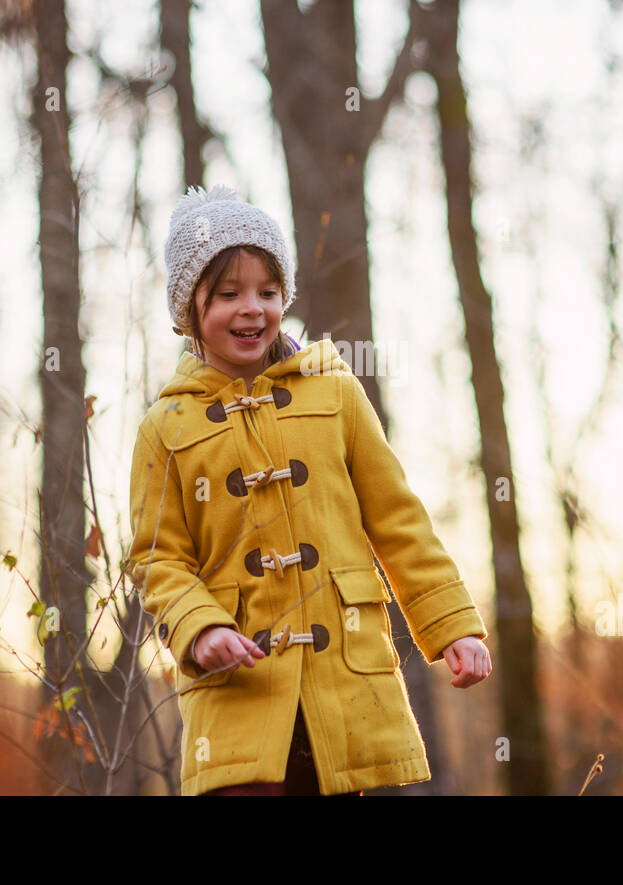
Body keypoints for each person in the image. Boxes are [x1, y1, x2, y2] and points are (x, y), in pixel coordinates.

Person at [126, 183, 492, 796]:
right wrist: (200, 628)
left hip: (347, 684)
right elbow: (156, 556)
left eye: (268, 292)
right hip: (239, 695)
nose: (253, 309)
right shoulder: (165, 427)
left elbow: (397, 518)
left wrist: (452, 624)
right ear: (189, 310)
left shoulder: (335, 393)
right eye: (228, 294)